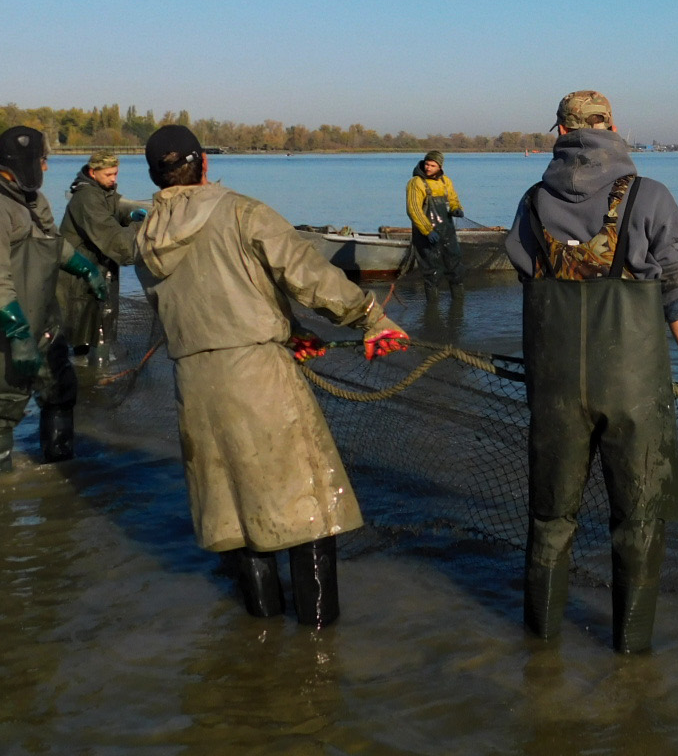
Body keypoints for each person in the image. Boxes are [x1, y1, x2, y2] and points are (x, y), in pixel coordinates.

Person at [134, 124, 409, 627]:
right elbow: (308, 276)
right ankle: (319, 642)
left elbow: (200, 302)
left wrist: (292, 330)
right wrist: (371, 318)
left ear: (156, 176)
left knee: (237, 518)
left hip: (194, 384)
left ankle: (263, 639)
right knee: (309, 512)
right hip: (257, 377)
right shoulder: (242, 211)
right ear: (204, 163)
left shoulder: (145, 237)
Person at [505, 90, 678, 654]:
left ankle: (539, 655)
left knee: (550, 519)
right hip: (633, 389)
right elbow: (676, 295)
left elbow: (528, 279)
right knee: (639, 522)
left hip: (555, 388)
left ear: (561, 133)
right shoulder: (650, 196)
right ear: (613, 128)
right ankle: (632, 659)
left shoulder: (532, 201)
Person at [0, 126, 109, 473]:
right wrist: (18, 334)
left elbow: (52, 242)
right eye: (42, 160)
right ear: (25, 162)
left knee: (60, 389)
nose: (46, 167)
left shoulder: (32, 200)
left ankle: (60, 470)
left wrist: (86, 269)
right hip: (1, 323)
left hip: (42, 315)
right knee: (3, 407)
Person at [57, 152, 147, 364]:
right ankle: (88, 370)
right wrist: (139, 228)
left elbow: (111, 213)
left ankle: (96, 372)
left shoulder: (103, 191)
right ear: (92, 172)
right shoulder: (86, 198)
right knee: (81, 337)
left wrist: (129, 216)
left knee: (101, 328)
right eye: (108, 174)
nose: (113, 179)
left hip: (100, 269)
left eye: (116, 173)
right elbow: (117, 242)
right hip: (79, 277)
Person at [406, 148, 464, 290]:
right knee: (432, 271)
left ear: (440, 167)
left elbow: (453, 198)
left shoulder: (445, 181)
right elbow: (414, 210)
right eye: (427, 164)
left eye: (433, 165)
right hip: (426, 235)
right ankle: (433, 301)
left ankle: (457, 299)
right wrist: (428, 231)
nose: (428, 168)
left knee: (455, 267)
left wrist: (456, 208)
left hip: (447, 231)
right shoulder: (416, 182)